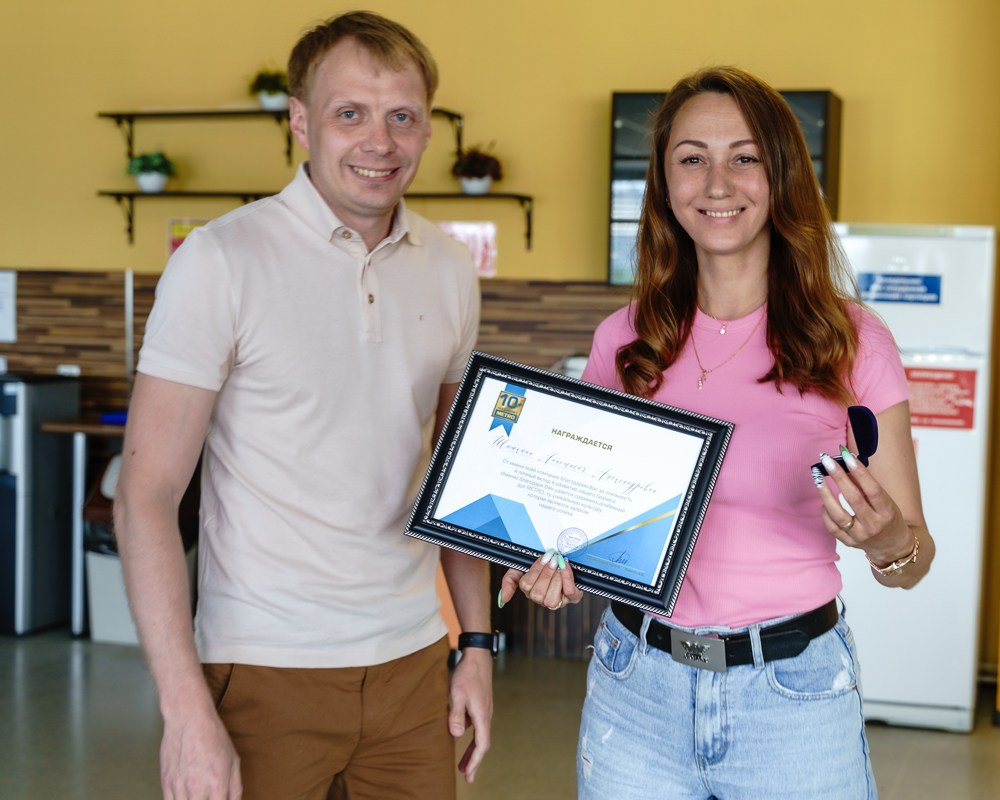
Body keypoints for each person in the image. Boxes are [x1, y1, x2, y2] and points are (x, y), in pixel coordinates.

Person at [500, 66, 935, 799]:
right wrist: (557, 565)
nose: (717, 182)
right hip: (634, 686)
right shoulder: (625, 340)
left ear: (781, 175)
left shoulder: (852, 341)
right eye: (692, 158)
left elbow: (914, 554)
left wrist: (886, 540)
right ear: (666, 184)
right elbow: (588, 525)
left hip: (794, 698)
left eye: (745, 157)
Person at [113, 11, 492, 799]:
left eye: (402, 117)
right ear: (300, 122)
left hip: (412, 666)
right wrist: (185, 712)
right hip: (262, 668)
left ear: (428, 131)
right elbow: (145, 497)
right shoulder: (221, 260)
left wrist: (478, 647)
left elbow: (464, 481)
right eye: (349, 113)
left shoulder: (451, 269)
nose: (378, 142)